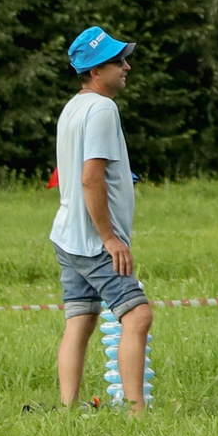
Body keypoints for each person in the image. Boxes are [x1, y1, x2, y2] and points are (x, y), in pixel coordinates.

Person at [50, 26, 151, 413]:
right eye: (118, 61)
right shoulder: (103, 108)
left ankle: (68, 408)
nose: (126, 66)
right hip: (93, 241)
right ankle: (136, 411)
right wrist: (110, 238)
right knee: (138, 315)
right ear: (95, 71)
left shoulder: (73, 107)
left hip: (66, 234)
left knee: (81, 319)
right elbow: (90, 176)